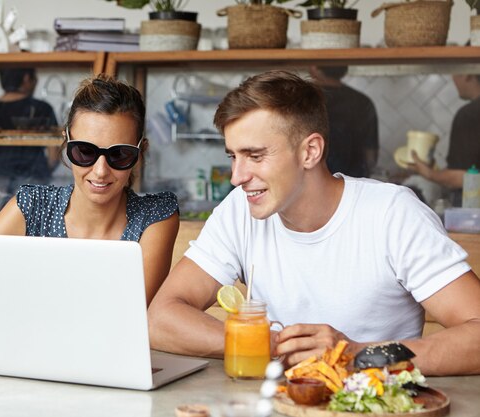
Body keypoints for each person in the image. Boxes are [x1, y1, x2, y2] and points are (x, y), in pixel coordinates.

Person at [147, 70, 480, 376]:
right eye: (233, 156)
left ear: (310, 152)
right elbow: (160, 318)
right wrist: (273, 345)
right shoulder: (239, 210)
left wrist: (354, 355)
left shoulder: (392, 214)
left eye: (256, 156)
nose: (237, 177)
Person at [0, 74, 180, 331]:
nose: (100, 171)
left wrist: (20, 317)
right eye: (85, 152)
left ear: (140, 152)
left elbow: (125, 321)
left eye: (119, 155)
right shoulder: (31, 207)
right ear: (66, 143)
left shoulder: (156, 217)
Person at [0, 67, 58, 194]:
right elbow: (55, 151)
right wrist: (44, 172)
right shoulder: (42, 108)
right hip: (33, 181)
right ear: (27, 78)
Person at [409, 73, 480, 205]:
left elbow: (464, 177)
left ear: (467, 75)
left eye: (455, 74)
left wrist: (429, 173)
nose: (452, 78)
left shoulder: (470, 115)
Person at [309, 66, 379, 178]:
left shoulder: (303, 102)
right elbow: (371, 157)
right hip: (354, 184)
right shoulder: (363, 102)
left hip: (313, 183)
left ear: (314, 69)